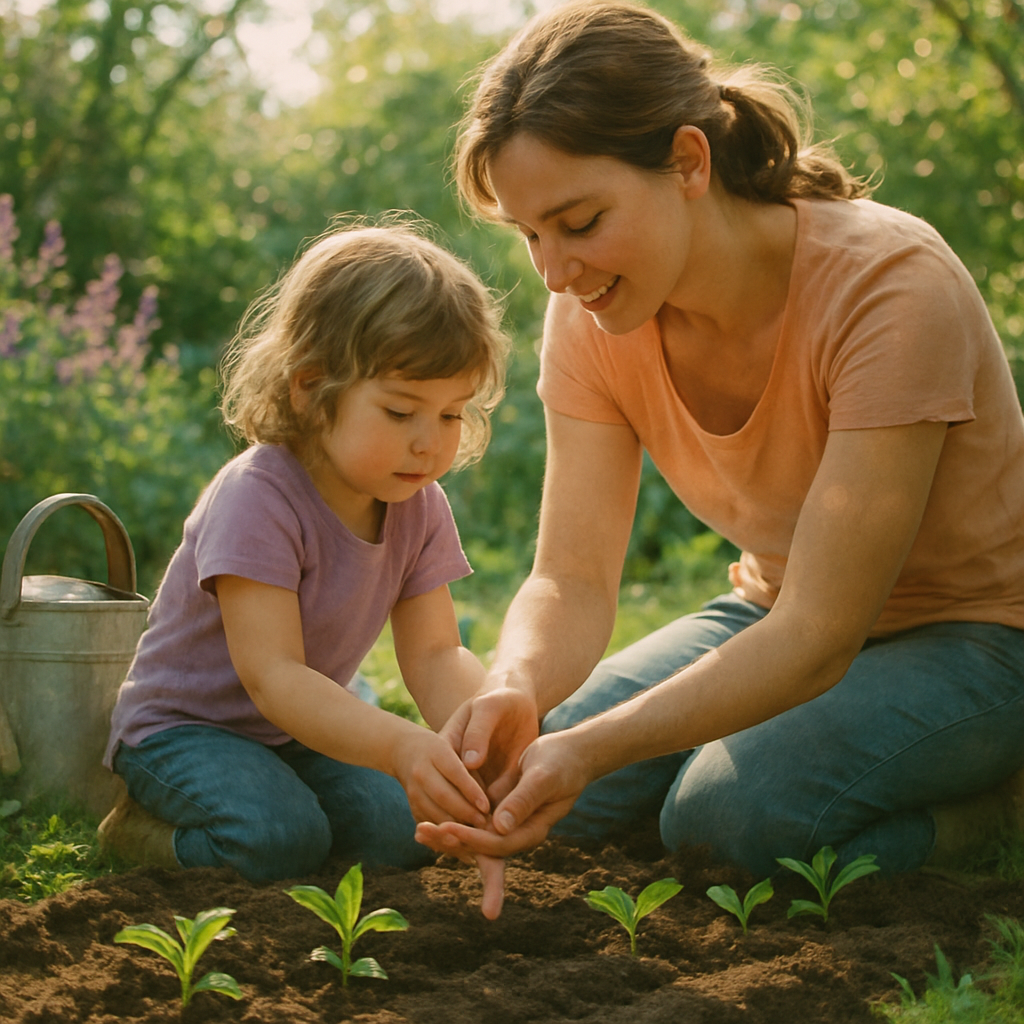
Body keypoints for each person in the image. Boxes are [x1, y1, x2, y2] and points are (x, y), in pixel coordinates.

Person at [415, 0, 1024, 909]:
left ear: (689, 162)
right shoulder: (595, 312)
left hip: (981, 640)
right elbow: (571, 578)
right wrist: (516, 687)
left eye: (578, 222)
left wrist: (593, 745)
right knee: (541, 785)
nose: (551, 270)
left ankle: (998, 812)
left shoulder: (890, 287)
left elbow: (821, 637)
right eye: (529, 233)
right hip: (771, 610)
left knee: (729, 820)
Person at [98, 220, 510, 889]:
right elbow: (275, 676)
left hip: (297, 734)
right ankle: (139, 831)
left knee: (404, 829)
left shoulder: (417, 505)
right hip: (184, 733)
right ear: (311, 390)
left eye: (451, 414)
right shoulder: (259, 497)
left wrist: (478, 744)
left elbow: (435, 654)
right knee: (277, 839)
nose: (429, 444)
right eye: (402, 412)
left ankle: (293, 803)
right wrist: (400, 743)